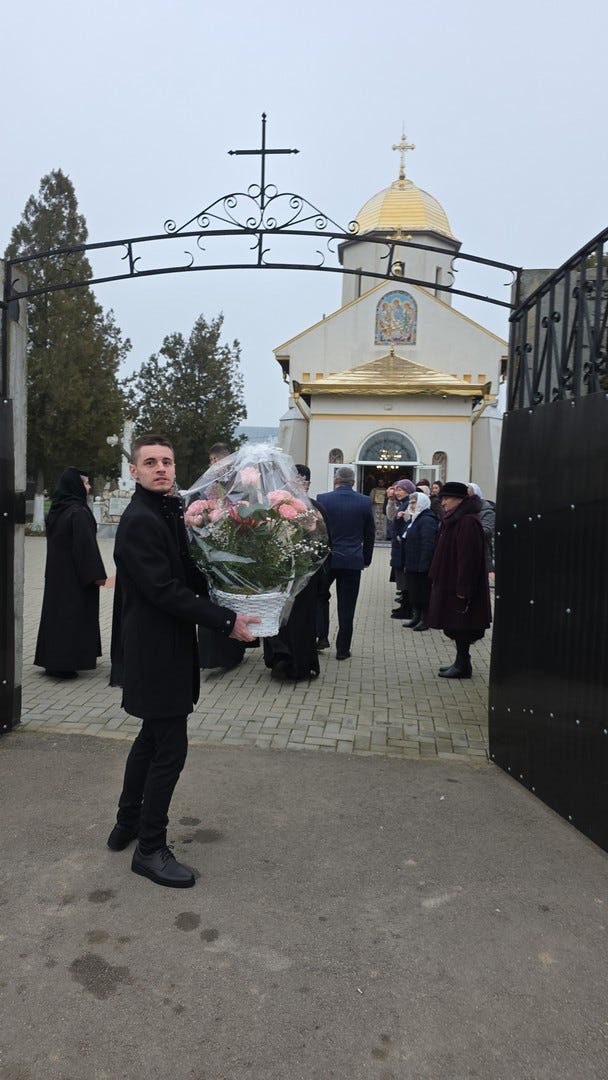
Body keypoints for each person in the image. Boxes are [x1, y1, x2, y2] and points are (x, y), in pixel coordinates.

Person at [107, 435, 258, 888]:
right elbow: (164, 590)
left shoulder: (167, 510)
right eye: (151, 462)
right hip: (154, 650)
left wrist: (234, 577)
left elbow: (188, 571)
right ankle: (150, 849)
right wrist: (226, 620)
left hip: (167, 645)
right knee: (169, 749)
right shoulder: (139, 520)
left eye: (167, 461)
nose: (161, 468)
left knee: (150, 739)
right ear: (134, 471)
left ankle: (127, 823)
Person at [34, 467, 107, 679]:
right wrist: (97, 576)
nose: (89, 487)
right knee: (72, 618)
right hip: (76, 577)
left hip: (57, 576)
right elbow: (85, 547)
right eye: (86, 483)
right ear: (75, 485)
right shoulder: (79, 512)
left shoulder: (58, 510)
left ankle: (52, 660)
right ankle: (66, 663)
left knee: (56, 617)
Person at [262, 464, 329, 681]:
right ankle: (285, 660)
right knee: (285, 620)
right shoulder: (277, 506)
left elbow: (325, 543)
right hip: (287, 575)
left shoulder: (314, 508)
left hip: (302, 575)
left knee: (297, 621)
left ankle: (293, 663)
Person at [428, 481, 491, 679]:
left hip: (459, 584)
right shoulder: (454, 519)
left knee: (462, 624)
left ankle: (463, 663)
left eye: (446, 498)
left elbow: (469, 558)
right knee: (454, 623)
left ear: (459, 500)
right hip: (450, 580)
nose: (443, 503)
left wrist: (464, 588)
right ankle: (460, 661)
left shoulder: (467, 522)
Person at [197, 443, 248, 672]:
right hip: (226, 548)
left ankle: (220, 654)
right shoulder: (237, 481)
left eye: (213, 461)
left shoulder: (222, 481)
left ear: (215, 460)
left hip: (222, 546)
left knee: (222, 598)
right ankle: (224, 653)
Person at [316, 466, 375, 660]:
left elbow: (318, 531)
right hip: (352, 559)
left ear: (336, 480)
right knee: (347, 606)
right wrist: (366, 559)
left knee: (320, 596)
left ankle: (321, 635)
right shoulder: (364, 502)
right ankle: (342, 649)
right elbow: (369, 534)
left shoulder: (323, 499)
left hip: (328, 559)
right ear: (353, 482)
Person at [402, 490, 439, 631]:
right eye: (410, 503)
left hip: (421, 564)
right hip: (412, 563)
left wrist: (424, 564)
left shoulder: (427, 519)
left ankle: (425, 619)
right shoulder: (415, 518)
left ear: (422, 503)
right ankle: (416, 616)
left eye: (414, 503)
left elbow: (428, 544)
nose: (411, 506)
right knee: (414, 591)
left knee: (423, 592)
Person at [388, 478, 416, 619]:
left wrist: (400, 534)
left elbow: (409, 524)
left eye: (400, 490)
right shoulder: (402, 504)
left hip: (402, 547)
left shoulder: (408, 504)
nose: (397, 492)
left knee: (405, 581)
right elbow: (391, 518)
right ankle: (404, 607)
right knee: (402, 580)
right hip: (399, 547)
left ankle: (407, 609)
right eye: (397, 489)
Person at [468, 482, 496, 579]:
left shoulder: (487, 511)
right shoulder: (466, 511)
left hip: (483, 554)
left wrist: (468, 530)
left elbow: (487, 531)